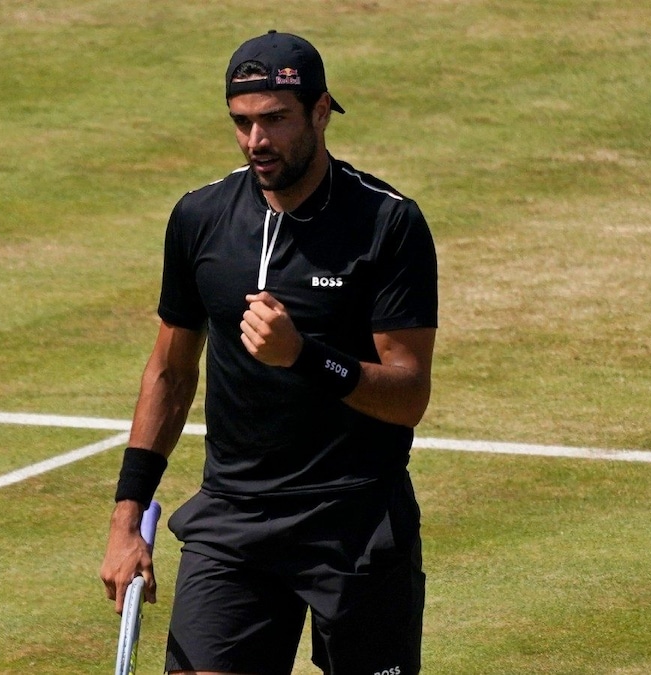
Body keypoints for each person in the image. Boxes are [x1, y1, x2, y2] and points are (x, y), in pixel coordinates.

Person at [100, 30, 438, 675]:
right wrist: (125, 520)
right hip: (234, 519)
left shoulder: (388, 223)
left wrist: (303, 357)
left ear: (319, 111)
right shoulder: (199, 217)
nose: (257, 141)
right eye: (242, 122)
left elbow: (409, 394)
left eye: (275, 120)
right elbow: (170, 373)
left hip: (355, 519)